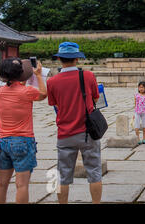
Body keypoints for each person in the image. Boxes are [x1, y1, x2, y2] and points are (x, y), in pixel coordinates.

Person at [46, 42, 102, 204]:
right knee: (94, 172)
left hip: (65, 133)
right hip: (88, 132)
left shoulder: (52, 82)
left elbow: (55, 104)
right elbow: (96, 98)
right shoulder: (88, 76)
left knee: (62, 175)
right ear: (77, 58)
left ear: (59, 59)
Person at [0, 58, 47, 204]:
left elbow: (15, 86)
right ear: (21, 74)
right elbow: (43, 94)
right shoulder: (27, 92)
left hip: (2, 141)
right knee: (22, 185)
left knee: (2, 183)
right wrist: (37, 75)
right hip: (22, 141)